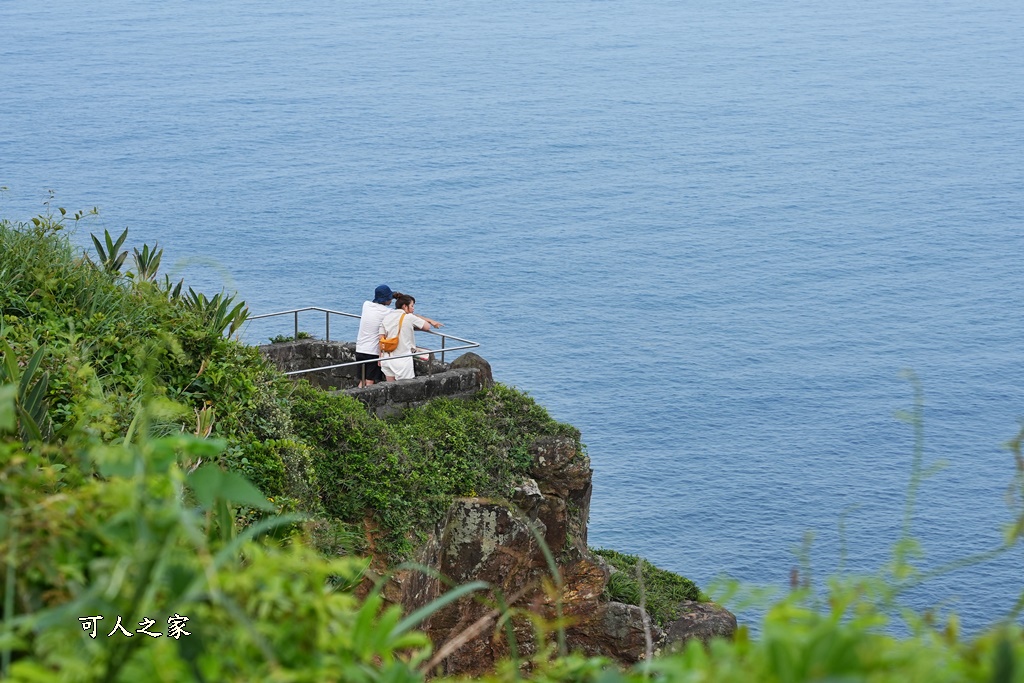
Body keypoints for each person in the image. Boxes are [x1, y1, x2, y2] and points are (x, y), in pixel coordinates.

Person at [379, 293, 443, 382]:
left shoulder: (387, 317)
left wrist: (380, 357)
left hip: (386, 358)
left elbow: (381, 338)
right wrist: (419, 317)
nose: (413, 309)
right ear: (405, 306)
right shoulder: (409, 317)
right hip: (402, 359)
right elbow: (427, 326)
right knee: (405, 388)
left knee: (390, 388)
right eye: (412, 306)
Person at [354, 284, 395, 387]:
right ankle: (365, 402)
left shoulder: (366, 305)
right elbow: (401, 315)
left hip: (360, 349)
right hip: (372, 351)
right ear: (387, 299)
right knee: (369, 381)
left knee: (362, 380)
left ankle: (356, 401)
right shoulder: (387, 312)